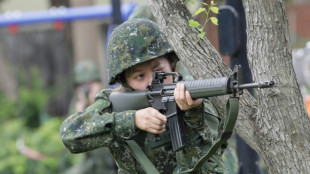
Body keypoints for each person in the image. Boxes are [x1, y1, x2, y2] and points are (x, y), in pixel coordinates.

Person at [60, 18, 227, 173]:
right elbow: (69, 134)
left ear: (171, 64)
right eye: (139, 76)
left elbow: (209, 164)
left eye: (159, 71)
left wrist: (194, 113)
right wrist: (132, 120)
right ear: (125, 82)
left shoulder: (197, 98)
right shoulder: (116, 104)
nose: (152, 81)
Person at [65, 60, 117, 174]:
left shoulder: (110, 99)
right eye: (83, 85)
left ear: (99, 82)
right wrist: (79, 116)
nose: (88, 88)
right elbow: (72, 148)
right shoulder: (77, 105)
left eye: (91, 83)